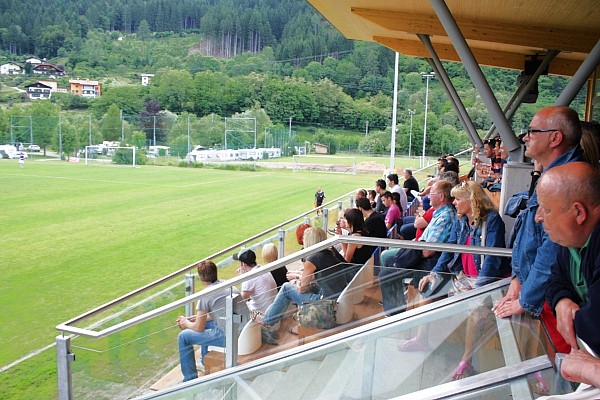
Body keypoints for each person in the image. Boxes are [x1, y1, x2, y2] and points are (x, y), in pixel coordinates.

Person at [401, 181, 510, 380]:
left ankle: (466, 362)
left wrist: (480, 290)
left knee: (476, 312)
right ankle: (421, 339)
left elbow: (492, 259)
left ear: (472, 200)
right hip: (461, 277)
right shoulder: (461, 220)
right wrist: (434, 273)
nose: (454, 202)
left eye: (458, 198)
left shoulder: (492, 221)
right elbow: (450, 247)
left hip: (483, 281)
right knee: (428, 289)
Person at [493, 106, 584, 322]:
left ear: (555, 138)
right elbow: (529, 233)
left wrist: (526, 298)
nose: (525, 137)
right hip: (538, 293)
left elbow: (552, 249)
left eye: (533, 131)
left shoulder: (566, 181)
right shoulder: (552, 175)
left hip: (552, 302)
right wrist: (518, 280)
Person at [537, 163, 600, 357]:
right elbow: (555, 280)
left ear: (579, 212)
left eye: (546, 210)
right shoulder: (571, 240)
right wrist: (562, 301)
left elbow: (595, 328)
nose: (538, 217)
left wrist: (573, 317)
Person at [378, 180, 457, 316]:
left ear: (441, 197)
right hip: (421, 254)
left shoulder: (445, 217)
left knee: (386, 271)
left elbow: (427, 251)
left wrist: (412, 247)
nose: (427, 197)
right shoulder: (439, 213)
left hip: (428, 262)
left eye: (431, 193)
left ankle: (395, 314)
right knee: (389, 266)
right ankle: (396, 303)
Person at [253, 227, 346, 334]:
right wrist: (298, 277)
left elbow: (302, 288)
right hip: (336, 295)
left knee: (286, 288)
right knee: (294, 287)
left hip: (326, 303)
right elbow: (319, 277)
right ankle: (269, 316)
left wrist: (298, 282)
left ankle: (267, 320)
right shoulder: (329, 253)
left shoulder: (313, 259)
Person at [177, 260, 249, 382]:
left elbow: (198, 328)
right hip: (243, 331)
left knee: (183, 337)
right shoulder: (228, 284)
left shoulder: (206, 294)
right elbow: (218, 313)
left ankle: (189, 380)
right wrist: (198, 318)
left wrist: (186, 323)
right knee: (204, 323)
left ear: (201, 279)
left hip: (231, 337)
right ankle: (205, 361)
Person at [235, 249, 277, 315]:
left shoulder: (249, 277)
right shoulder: (263, 268)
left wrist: (242, 278)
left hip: (262, 313)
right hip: (273, 309)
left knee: (238, 310)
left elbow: (241, 300)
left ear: (243, 264)